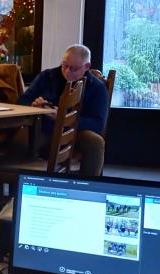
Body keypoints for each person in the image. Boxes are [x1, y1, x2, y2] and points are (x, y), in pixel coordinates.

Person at [19, 44, 108, 176]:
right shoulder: (47, 77)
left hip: (78, 131)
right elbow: (22, 101)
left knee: (96, 142)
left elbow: (98, 124)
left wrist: (65, 118)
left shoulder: (97, 87)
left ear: (87, 67)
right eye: (64, 65)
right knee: (17, 141)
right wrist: (34, 105)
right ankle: (19, 183)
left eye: (73, 68)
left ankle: (88, 186)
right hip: (45, 129)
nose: (67, 71)